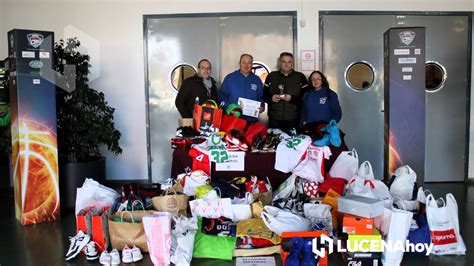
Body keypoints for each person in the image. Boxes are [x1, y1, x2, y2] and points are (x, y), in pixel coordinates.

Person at [263, 52, 308, 130]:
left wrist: (291, 99)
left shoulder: (300, 77)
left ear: (292, 63)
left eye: (289, 62)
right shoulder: (271, 76)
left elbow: (306, 98)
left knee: (293, 142)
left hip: (294, 119)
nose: (286, 64)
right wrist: (271, 98)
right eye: (283, 62)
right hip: (274, 119)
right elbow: (264, 95)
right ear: (280, 63)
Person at [218, 54, 264, 122]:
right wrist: (229, 107)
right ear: (239, 64)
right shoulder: (230, 78)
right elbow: (221, 96)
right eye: (244, 62)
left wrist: (262, 107)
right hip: (233, 119)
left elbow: (260, 98)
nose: (246, 65)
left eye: (249, 63)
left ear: (252, 65)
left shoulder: (257, 80)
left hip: (251, 121)